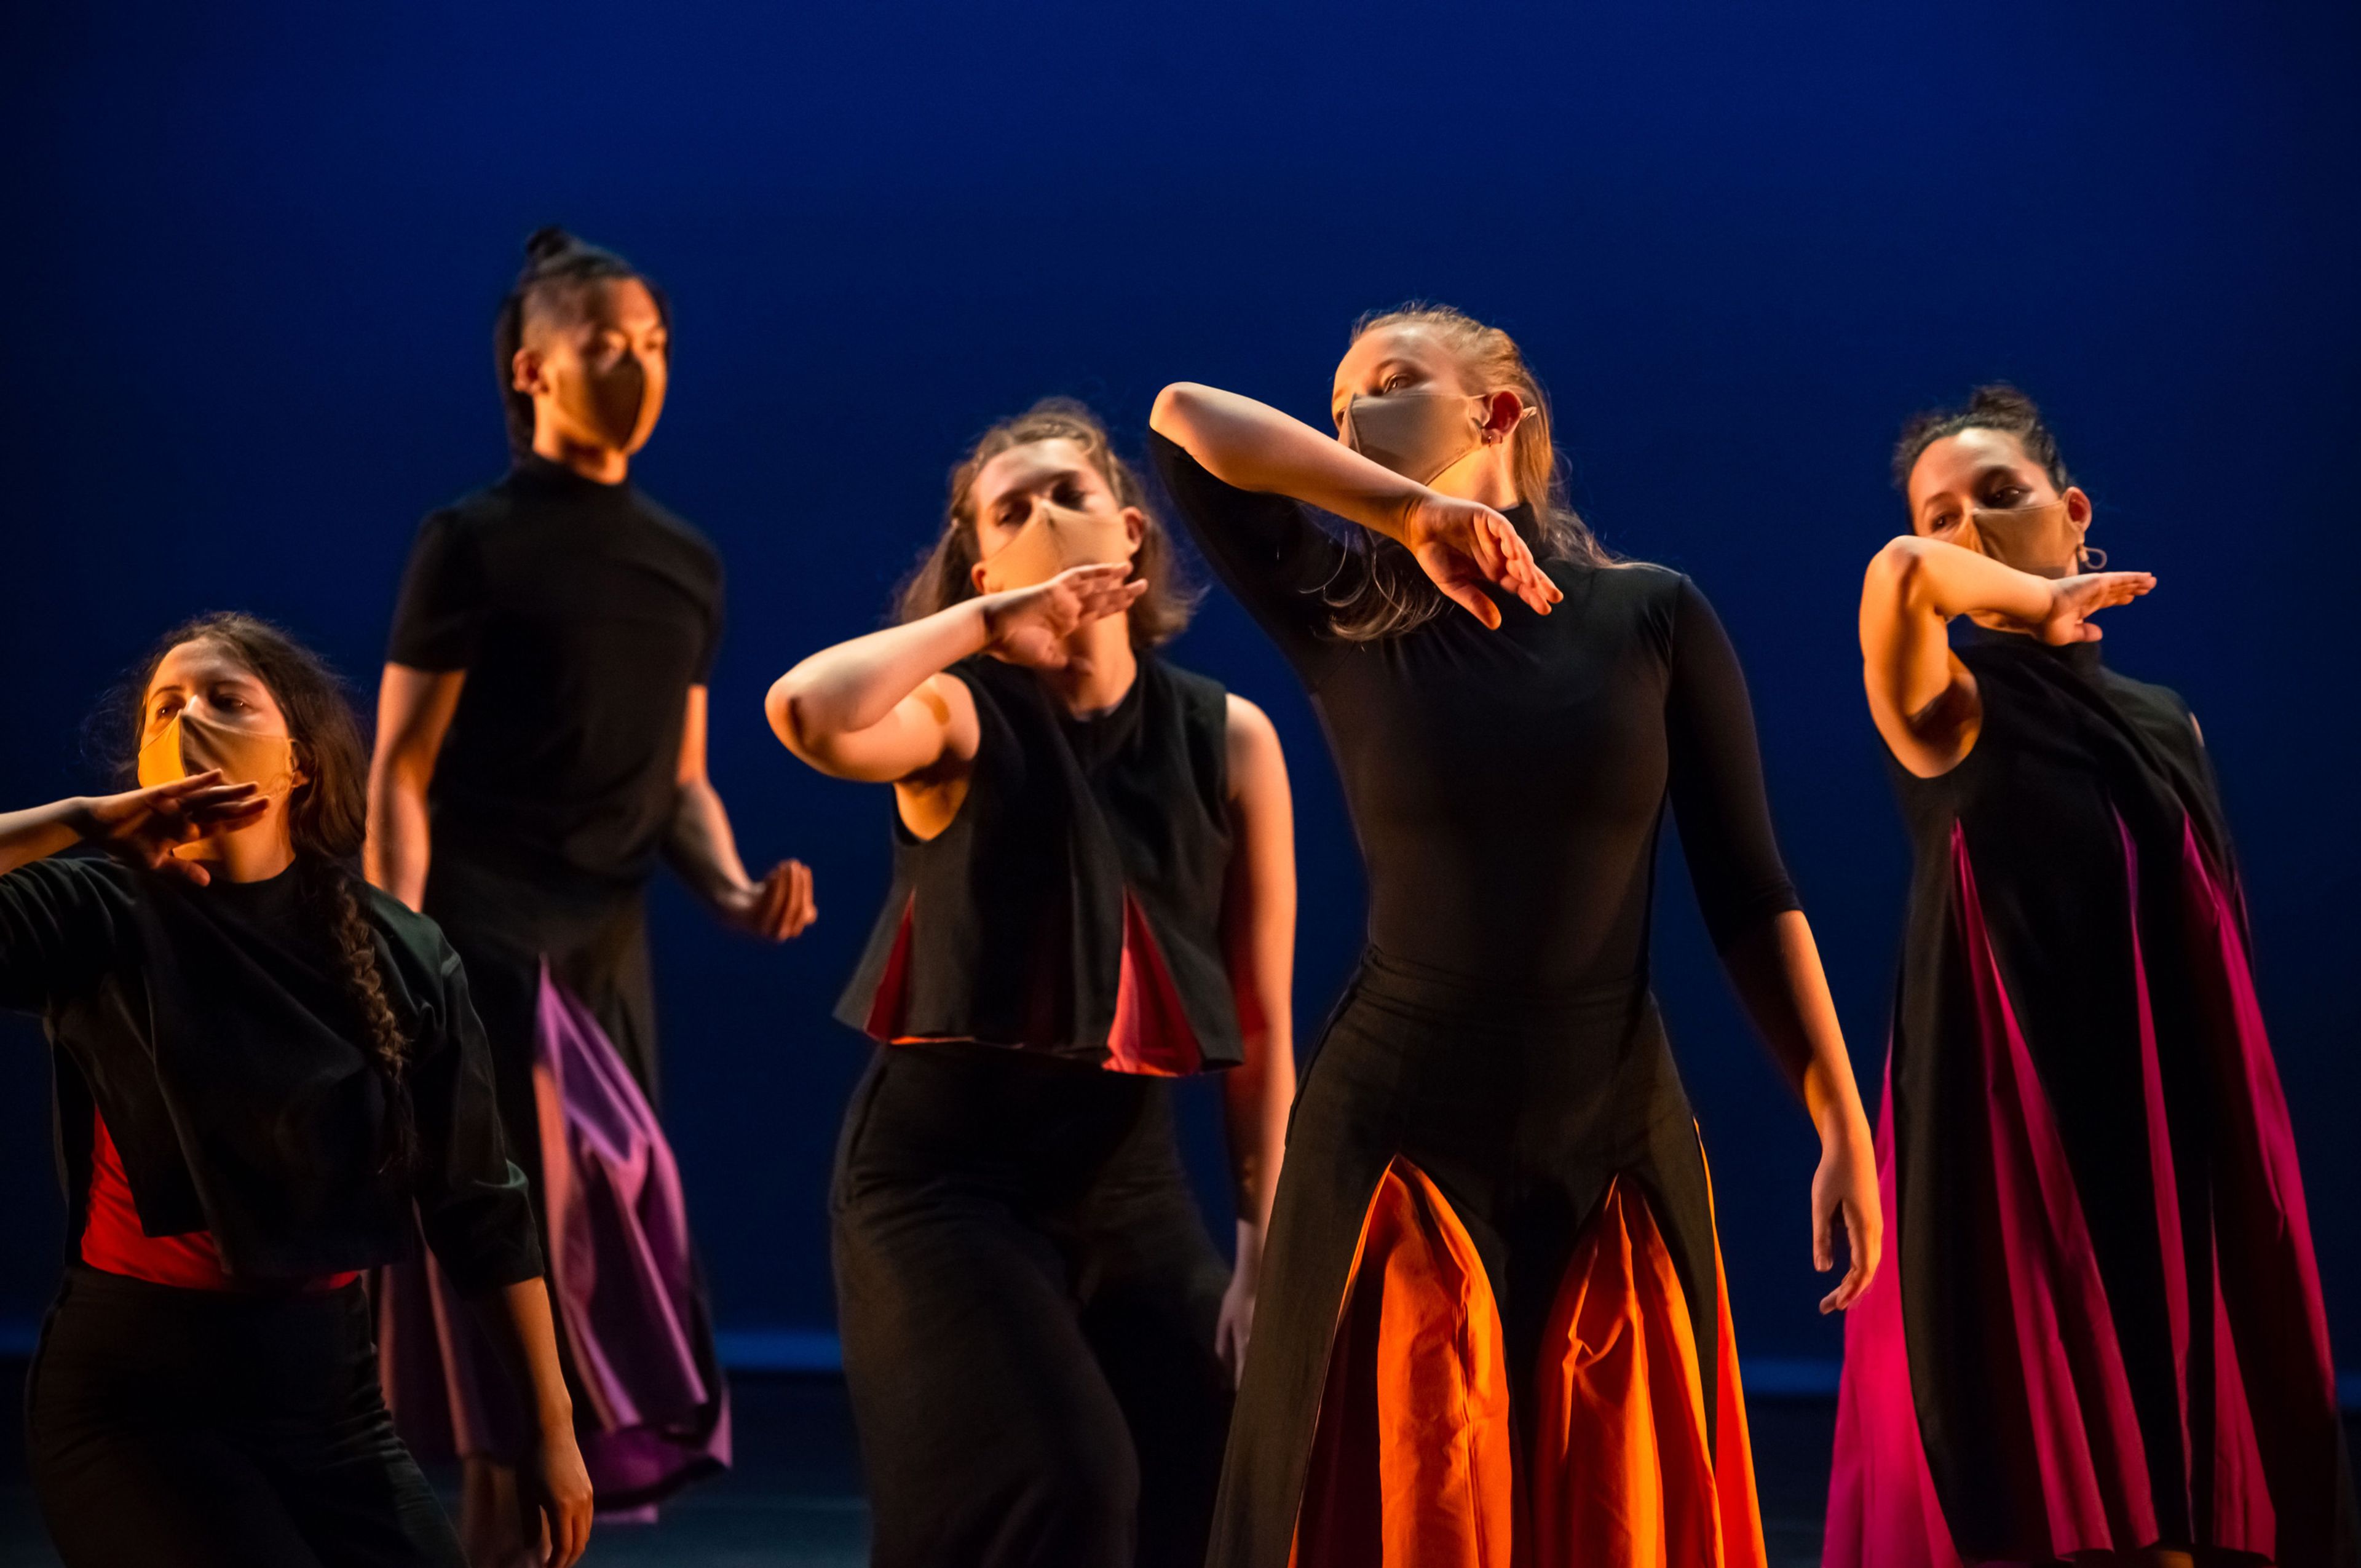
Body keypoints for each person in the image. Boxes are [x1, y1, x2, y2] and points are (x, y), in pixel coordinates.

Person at [1149, 304, 1880, 1567]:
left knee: (1614, 1518)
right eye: (1333, 407)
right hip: (1396, 1133)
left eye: (1385, 384)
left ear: (1497, 412)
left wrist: (1841, 1118)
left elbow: (1751, 890)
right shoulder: (1343, 603)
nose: (1346, 421)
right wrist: (1404, 515)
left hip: (1611, 1131)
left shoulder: (1652, 618)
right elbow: (1183, 419)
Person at [1828, 386, 2359, 1568]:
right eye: (1945, 510)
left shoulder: (2171, 723)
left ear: (2075, 515)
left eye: (2003, 497)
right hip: (2020, 1147)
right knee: (2056, 1506)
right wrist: (2038, 597)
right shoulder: (1944, 709)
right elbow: (1904, 576)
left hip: (2168, 1135)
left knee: (2185, 1506)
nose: (1968, 527)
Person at [765, 399, 1297, 1568]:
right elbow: (807, 710)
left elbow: (1261, 1021)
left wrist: (1265, 1251)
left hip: (1131, 1184)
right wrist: (984, 627)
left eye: (1071, 491)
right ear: (980, 563)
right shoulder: (958, 713)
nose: (1048, 514)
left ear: (1132, 534)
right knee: (1065, 1484)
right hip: (945, 1181)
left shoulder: (1232, 739)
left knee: (1224, 1479)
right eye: (1013, 509)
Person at [366, 227, 814, 1562]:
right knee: (521, 1258)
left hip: (606, 951)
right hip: (484, 941)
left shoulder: (686, 562)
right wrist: (394, 956)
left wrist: (733, 892)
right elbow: (400, 770)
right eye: (606, 345)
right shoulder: (471, 541)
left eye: (656, 344)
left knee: (594, 1254)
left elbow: (681, 782)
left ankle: (518, 1537)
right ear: (534, 369)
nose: (638, 366)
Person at [0, 612, 592, 1568]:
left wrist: (552, 1429)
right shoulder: (97, 909)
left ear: (298, 763)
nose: (187, 714)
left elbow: (479, 1203)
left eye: (224, 697)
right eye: (164, 705)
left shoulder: (399, 950)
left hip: (329, 1396)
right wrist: (78, 820)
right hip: (139, 1400)